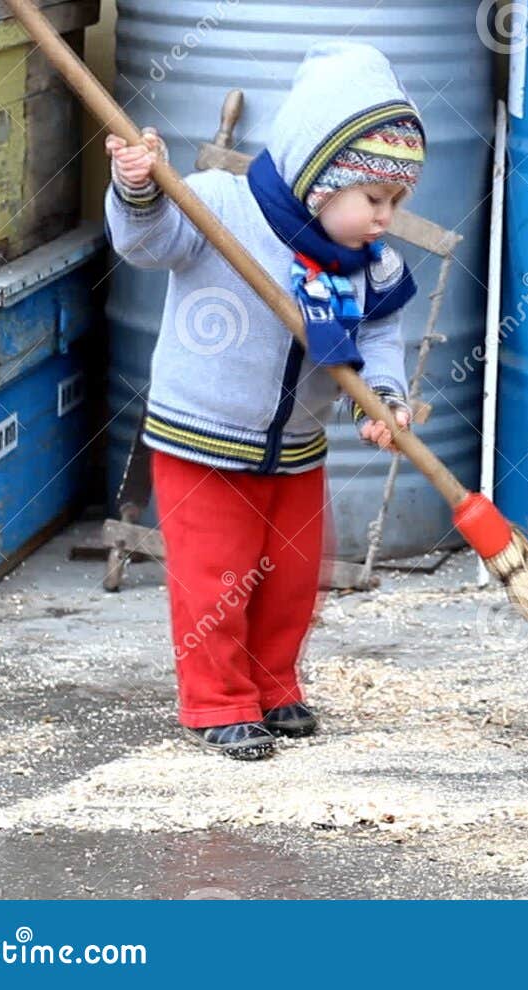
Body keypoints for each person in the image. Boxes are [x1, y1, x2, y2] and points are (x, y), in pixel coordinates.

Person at [103, 41, 424, 760]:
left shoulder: (370, 263)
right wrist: (139, 189)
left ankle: (273, 685)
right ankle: (217, 702)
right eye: (374, 199)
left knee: (292, 577)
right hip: (203, 440)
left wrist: (383, 396)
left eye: (396, 203)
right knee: (215, 578)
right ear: (320, 180)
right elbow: (148, 244)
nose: (385, 217)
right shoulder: (220, 206)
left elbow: (379, 333)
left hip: (298, 446)